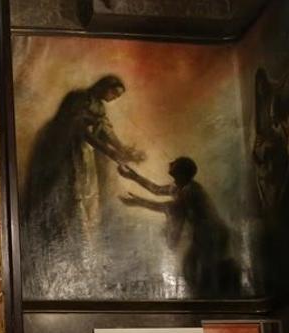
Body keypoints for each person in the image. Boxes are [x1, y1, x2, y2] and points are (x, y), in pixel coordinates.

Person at [22, 74, 144, 293]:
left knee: (88, 198)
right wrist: (113, 153)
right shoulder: (78, 99)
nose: (113, 99)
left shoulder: (99, 105)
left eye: (116, 97)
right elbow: (83, 132)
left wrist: (124, 149)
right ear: (105, 86)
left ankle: (84, 257)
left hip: (82, 153)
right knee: (69, 197)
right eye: (113, 93)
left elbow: (106, 131)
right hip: (62, 152)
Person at [118, 157, 241, 297]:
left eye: (175, 163)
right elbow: (156, 189)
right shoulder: (179, 186)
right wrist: (132, 176)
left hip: (212, 235)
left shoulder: (190, 190)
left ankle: (209, 300)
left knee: (201, 269)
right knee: (192, 267)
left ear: (182, 172)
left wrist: (138, 202)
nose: (170, 163)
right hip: (203, 235)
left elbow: (169, 207)